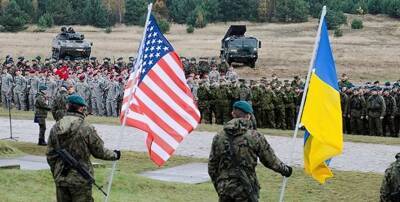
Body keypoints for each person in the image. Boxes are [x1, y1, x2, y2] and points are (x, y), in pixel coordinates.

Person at [208, 101, 292, 202]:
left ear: (233, 114)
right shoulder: (255, 136)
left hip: (225, 189)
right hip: (246, 188)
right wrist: (285, 170)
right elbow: (270, 161)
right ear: (248, 116)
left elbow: (212, 166)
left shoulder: (218, 137)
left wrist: (220, 185)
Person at [46, 95, 121, 202]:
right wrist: (115, 155)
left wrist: (57, 172)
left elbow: (50, 155)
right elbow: (99, 151)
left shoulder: (56, 127)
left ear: (67, 106)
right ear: (81, 109)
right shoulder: (86, 128)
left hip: (61, 178)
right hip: (81, 178)